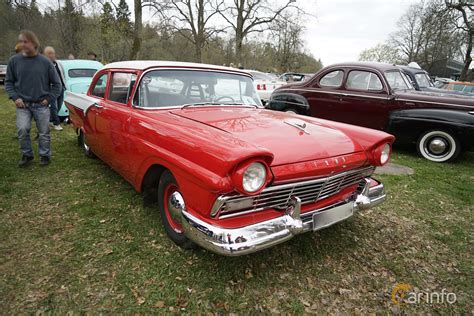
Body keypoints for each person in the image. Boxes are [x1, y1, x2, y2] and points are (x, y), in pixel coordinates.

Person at [5, 30, 61, 167]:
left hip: (41, 104)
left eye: (25, 41)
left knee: (43, 132)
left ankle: (45, 155)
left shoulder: (45, 62)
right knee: (23, 130)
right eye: (21, 41)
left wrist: (49, 99)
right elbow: (9, 82)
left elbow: (57, 84)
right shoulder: (14, 61)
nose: (22, 44)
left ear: (34, 43)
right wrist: (15, 97)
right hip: (22, 105)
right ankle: (27, 155)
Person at [43, 46, 65, 131]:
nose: (51, 55)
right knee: (54, 106)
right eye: (49, 54)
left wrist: (64, 85)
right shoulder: (45, 65)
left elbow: (62, 73)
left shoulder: (58, 63)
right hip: (51, 88)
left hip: (61, 87)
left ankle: (51, 120)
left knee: (59, 105)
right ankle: (57, 123)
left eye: (52, 53)